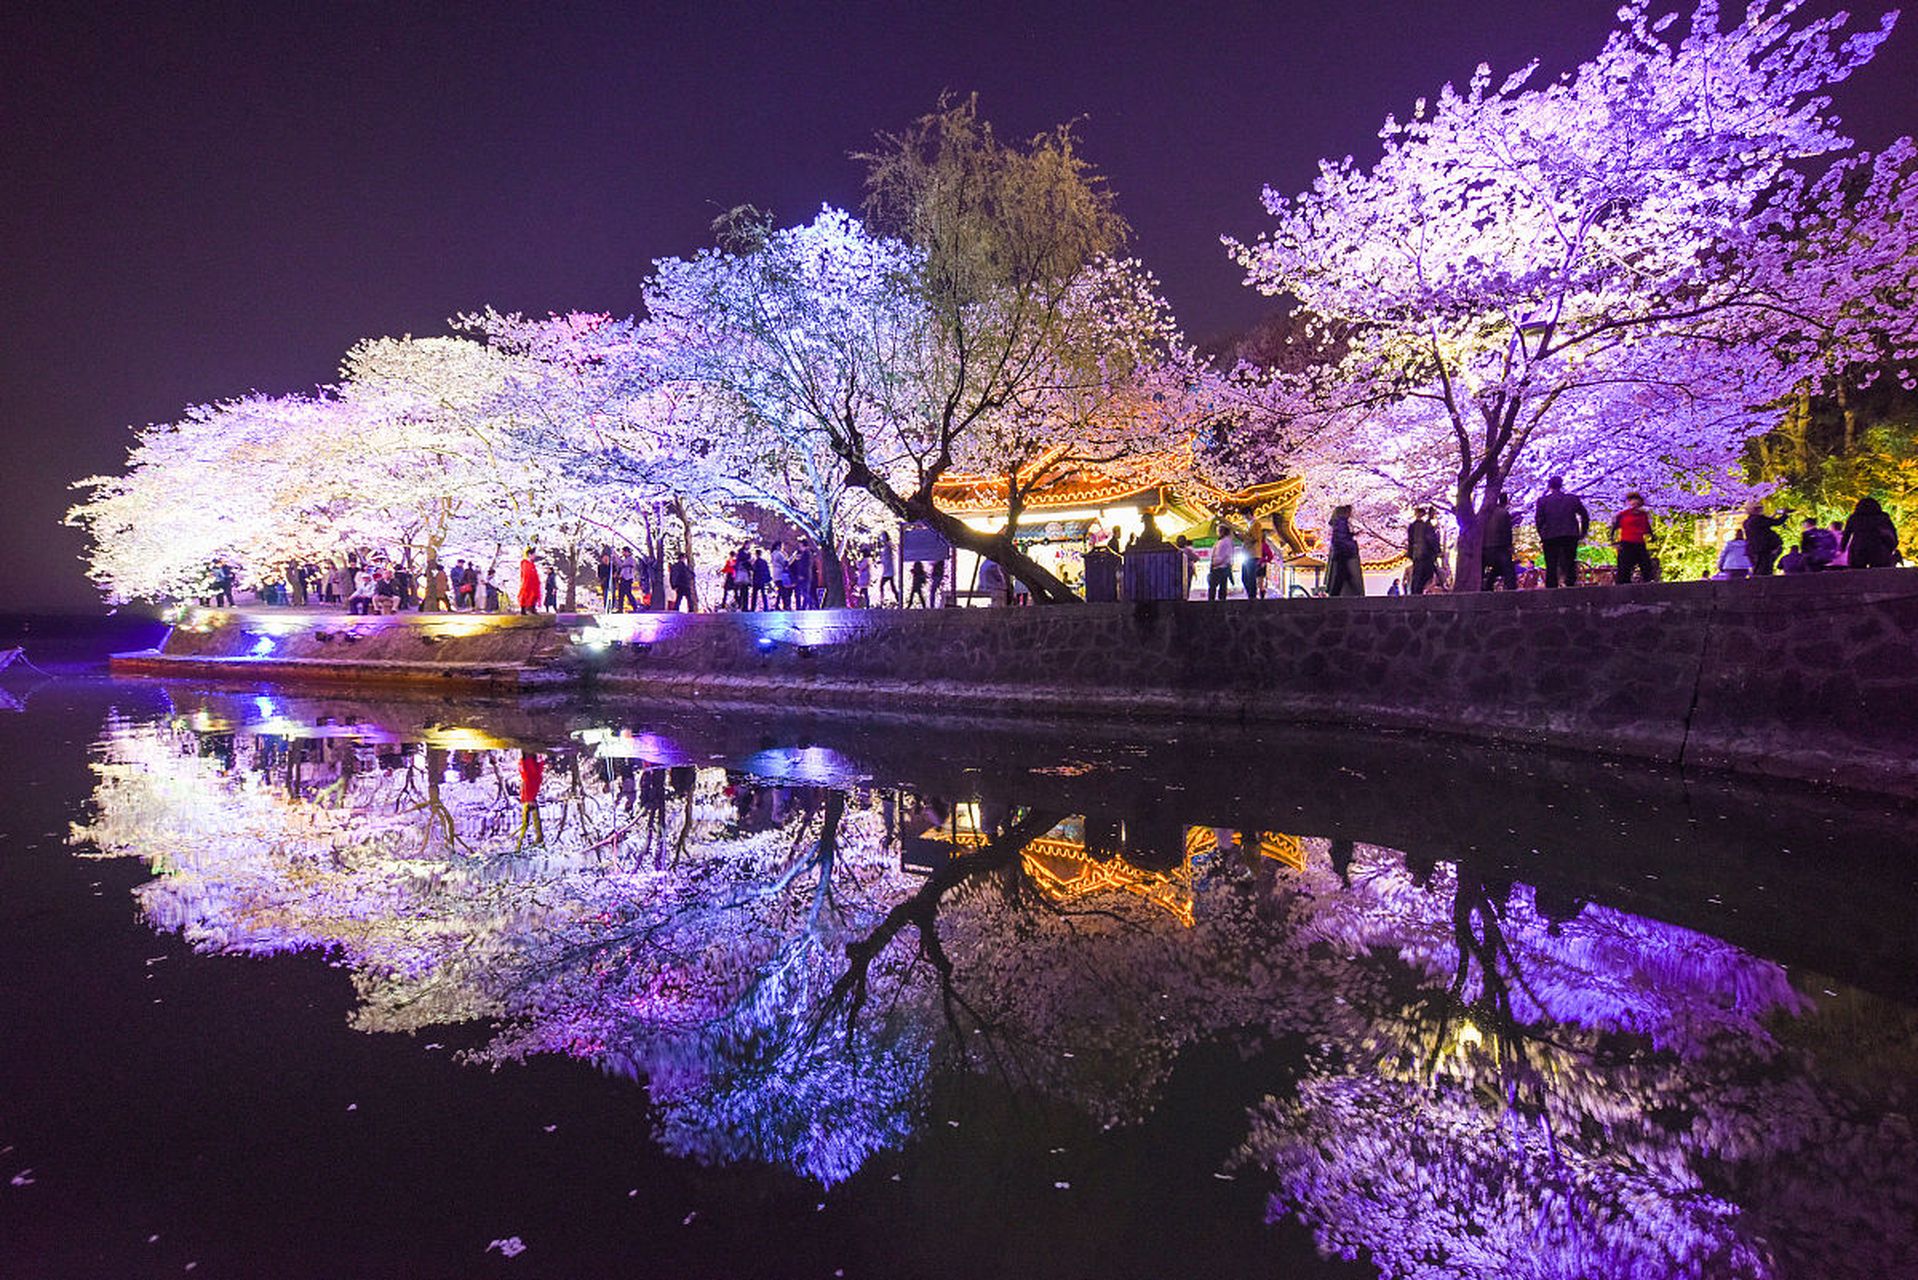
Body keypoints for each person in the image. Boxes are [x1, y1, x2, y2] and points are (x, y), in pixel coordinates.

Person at [1534, 477, 1591, 589]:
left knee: (1551, 564)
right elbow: (1585, 516)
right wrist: (1582, 532)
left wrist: (1542, 533)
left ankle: (1551, 587)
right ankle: (1570, 585)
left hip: (1550, 535)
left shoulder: (1542, 501)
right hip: (1569, 534)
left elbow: (1539, 520)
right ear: (1561, 485)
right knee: (1570, 561)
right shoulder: (1572, 499)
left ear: (1549, 487)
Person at [1841, 495, 1901, 568]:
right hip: (1878, 547)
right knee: (1878, 571)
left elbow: (1846, 534)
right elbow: (1891, 531)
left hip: (1859, 546)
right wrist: (1892, 545)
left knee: (1857, 572)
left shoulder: (1854, 518)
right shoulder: (1882, 517)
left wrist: (1842, 547)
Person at [1610, 493, 1655, 584]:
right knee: (1624, 566)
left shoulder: (1643, 515)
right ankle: (1623, 584)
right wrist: (1613, 541)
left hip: (1639, 542)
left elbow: (1647, 527)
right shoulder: (1623, 514)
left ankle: (1648, 581)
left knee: (1645, 564)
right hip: (1626, 542)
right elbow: (1614, 528)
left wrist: (1652, 535)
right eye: (1631, 500)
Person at [1741, 500, 1791, 575]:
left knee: (1757, 568)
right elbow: (1776, 522)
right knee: (1765, 568)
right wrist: (1785, 514)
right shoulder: (1759, 520)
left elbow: (1767, 522)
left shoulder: (1747, 522)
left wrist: (1773, 515)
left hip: (1752, 548)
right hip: (1763, 548)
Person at [1481, 491, 1517, 591]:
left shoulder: (1484, 513)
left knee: (1493, 568)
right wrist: (1509, 546)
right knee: (1508, 569)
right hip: (1500, 546)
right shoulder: (1503, 513)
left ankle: (1486, 586)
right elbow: (1507, 531)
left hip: (1485, 547)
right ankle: (1511, 589)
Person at [1325, 504, 1364, 597]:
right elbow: (1342, 538)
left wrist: (1351, 535)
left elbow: (1341, 536)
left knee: (1341, 574)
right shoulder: (1342, 522)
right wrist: (1351, 542)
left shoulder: (1338, 523)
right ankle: (1342, 593)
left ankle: (1336, 593)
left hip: (1340, 551)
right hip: (1345, 552)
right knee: (1343, 574)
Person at [1405, 507, 1442, 595]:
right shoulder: (1424, 526)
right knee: (1424, 574)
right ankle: (1417, 592)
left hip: (1418, 554)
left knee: (1419, 574)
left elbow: (1411, 541)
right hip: (1424, 554)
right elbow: (1430, 539)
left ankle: (1416, 592)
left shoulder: (1415, 526)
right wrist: (1437, 551)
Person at [1208, 523, 1239, 601]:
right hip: (1217, 565)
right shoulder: (1220, 541)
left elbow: (1227, 555)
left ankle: (1219, 601)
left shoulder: (1227, 541)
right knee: (1215, 585)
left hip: (1222, 566)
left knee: (1220, 585)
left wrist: (1218, 563)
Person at [878, 531, 899, 605]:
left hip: (889, 569)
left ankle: (882, 600)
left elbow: (891, 553)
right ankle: (897, 599)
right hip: (887, 569)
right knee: (891, 586)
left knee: (884, 585)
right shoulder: (886, 546)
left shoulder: (888, 545)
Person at [517, 548, 541, 615]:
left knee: (533, 596)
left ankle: (532, 609)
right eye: (533, 555)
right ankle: (523, 610)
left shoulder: (532, 564)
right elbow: (526, 574)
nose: (534, 556)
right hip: (527, 583)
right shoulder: (525, 563)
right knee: (525, 595)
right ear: (529, 555)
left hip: (533, 584)